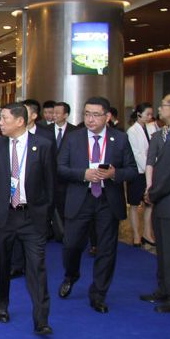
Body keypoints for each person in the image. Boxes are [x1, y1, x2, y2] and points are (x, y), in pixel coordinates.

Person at [0, 102, 55, 335]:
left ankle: (41, 319)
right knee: (1, 264)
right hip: (4, 216)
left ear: (20, 121)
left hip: (32, 217)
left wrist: (46, 214)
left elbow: (51, 184)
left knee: (37, 267)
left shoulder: (43, 145)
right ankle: (1, 305)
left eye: (4, 119)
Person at [56, 97, 137, 313]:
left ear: (107, 116)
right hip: (80, 199)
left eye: (95, 115)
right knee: (71, 245)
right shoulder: (73, 138)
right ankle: (71, 275)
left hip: (107, 201)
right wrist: (83, 174)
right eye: (87, 114)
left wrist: (114, 174)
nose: (90, 119)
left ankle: (99, 293)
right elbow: (60, 168)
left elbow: (131, 170)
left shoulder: (120, 139)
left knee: (106, 250)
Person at [144, 92, 170, 313]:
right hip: (165, 203)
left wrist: (153, 193)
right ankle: (165, 289)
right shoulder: (169, 133)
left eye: (163, 105)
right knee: (164, 250)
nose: (159, 109)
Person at [126, 102, 158, 247]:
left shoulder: (151, 127)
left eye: (151, 114)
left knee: (149, 204)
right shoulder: (132, 131)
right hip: (138, 172)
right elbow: (137, 154)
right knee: (134, 204)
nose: (150, 117)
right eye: (147, 114)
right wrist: (149, 169)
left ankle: (147, 233)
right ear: (139, 114)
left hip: (150, 171)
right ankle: (136, 236)